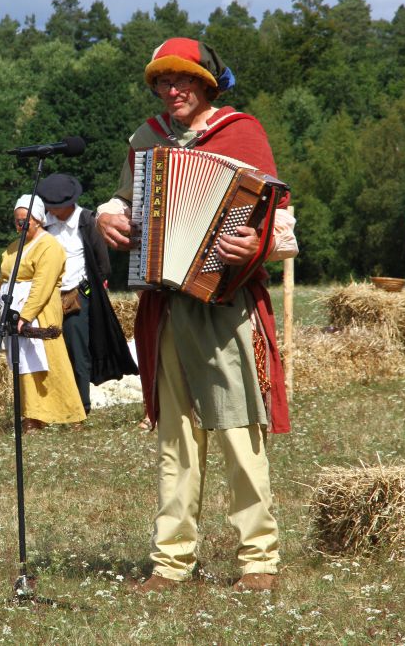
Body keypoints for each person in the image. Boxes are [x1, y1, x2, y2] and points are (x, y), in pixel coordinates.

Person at [96, 37, 298, 593]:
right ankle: (170, 562)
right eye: (162, 82)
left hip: (225, 303)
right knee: (176, 438)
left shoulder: (241, 132)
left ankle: (258, 560)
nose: (172, 91)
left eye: (182, 80)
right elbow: (123, 202)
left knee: (237, 431)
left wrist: (254, 244)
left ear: (206, 84)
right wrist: (107, 219)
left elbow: (276, 217)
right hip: (166, 304)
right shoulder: (146, 139)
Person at [36, 172, 136, 415]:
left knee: (77, 351)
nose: (50, 209)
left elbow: (102, 264)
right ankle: (55, 404)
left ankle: (82, 406)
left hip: (77, 296)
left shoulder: (87, 221)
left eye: (55, 205)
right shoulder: (43, 225)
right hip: (47, 298)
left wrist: (90, 290)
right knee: (51, 352)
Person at [0, 195, 85, 432]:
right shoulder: (13, 247)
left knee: (51, 362)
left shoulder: (50, 246)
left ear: (38, 220)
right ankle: (32, 416)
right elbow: (2, 280)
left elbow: (43, 285)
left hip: (40, 314)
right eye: (17, 221)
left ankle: (71, 415)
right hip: (13, 313)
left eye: (25, 221)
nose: (20, 225)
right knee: (24, 366)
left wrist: (26, 316)